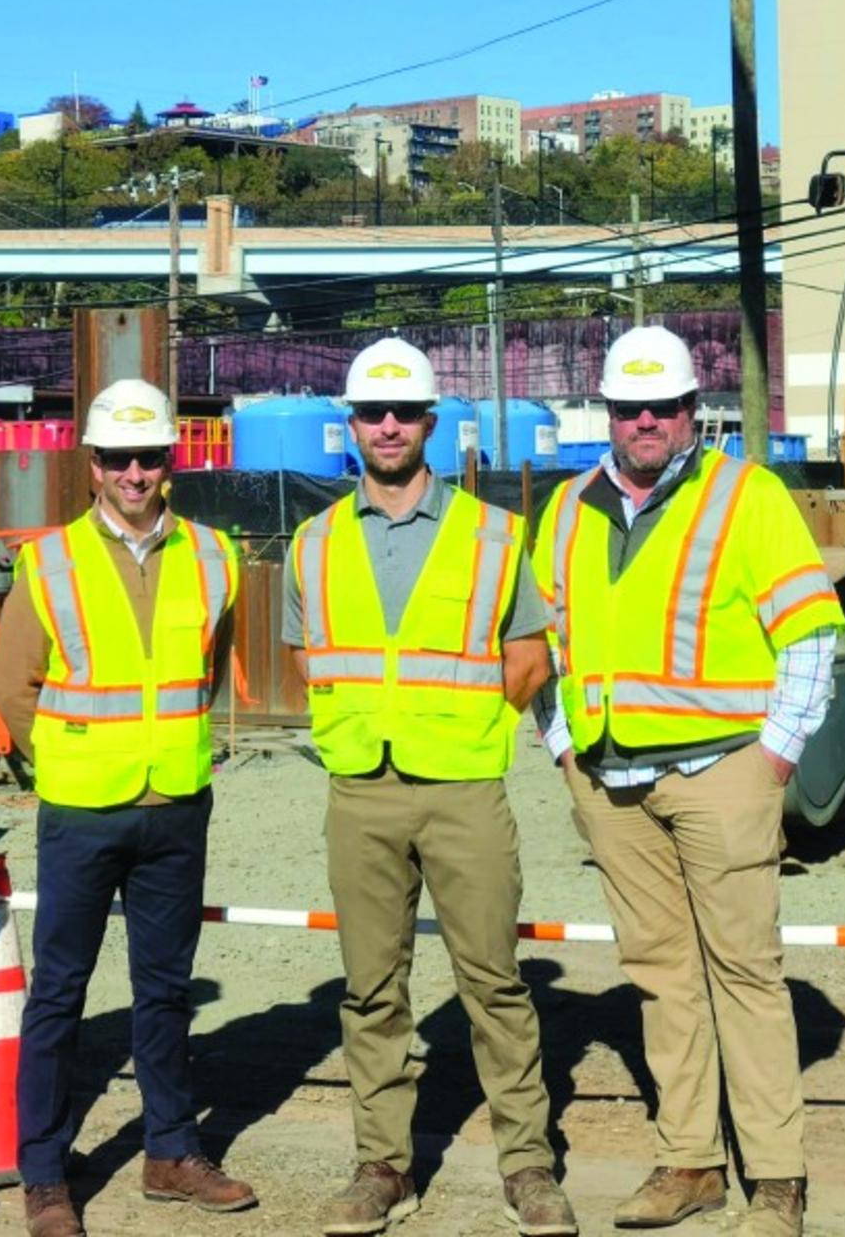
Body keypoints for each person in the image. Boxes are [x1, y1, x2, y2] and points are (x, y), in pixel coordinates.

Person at [532, 329, 845, 1237]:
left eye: (661, 408)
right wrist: (561, 749)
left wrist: (774, 758)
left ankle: (778, 1182)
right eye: (628, 408)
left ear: (691, 411)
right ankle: (690, 1162)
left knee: (745, 975)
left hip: (723, 772)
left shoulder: (746, 496)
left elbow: (809, 635)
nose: (644, 423)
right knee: (662, 977)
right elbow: (540, 648)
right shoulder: (566, 508)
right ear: (606, 411)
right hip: (610, 780)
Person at [282, 339, 572, 1237]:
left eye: (405, 412)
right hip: (361, 786)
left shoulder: (490, 533)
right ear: (352, 425)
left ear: (431, 424)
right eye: (374, 412)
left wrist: (465, 724)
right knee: (371, 990)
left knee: (493, 982)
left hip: (463, 788)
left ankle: (528, 1166)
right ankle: (383, 1167)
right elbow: (310, 660)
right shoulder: (316, 541)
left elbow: (529, 657)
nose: (389, 426)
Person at [0, 378, 257, 1237]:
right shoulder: (50, 561)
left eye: (148, 458)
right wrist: (70, 760)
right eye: (118, 459)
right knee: (60, 994)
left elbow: (206, 675)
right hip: (82, 808)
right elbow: (14, 689)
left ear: (168, 463)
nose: (135, 473)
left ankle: (171, 1151)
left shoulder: (213, 557)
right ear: (92, 464)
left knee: (165, 990)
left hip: (176, 801)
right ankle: (44, 1174)